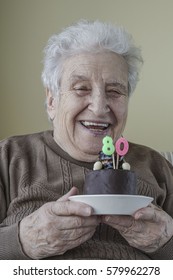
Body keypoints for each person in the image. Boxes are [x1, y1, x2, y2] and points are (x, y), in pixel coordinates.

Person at [0, 19, 173, 260]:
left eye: (114, 91)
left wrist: (167, 242)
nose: (100, 107)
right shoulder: (10, 158)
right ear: (52, 101)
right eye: (81, 88)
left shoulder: (158, 167)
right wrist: (21, 241)